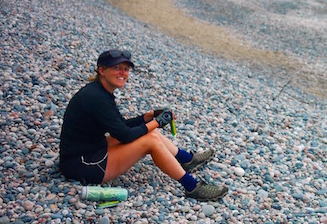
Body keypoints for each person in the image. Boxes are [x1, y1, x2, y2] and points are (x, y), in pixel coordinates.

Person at [59, 49, 227, 201]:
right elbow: (124, 135)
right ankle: (192, 187)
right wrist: (156, 123)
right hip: (83, 165)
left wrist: (147, 118)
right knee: (151, 141)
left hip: (89, 150)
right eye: (117, 68)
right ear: (101, 70)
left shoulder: (99, 91)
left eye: (125, 69)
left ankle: (187, 160)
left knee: (151, 133)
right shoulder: (97, 98)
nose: (123, 73)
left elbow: (119, 126)